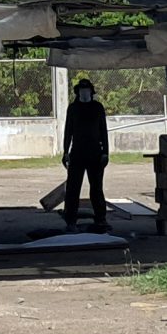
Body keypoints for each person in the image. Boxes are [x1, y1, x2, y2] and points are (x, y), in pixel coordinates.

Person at [62, 77, 109, 232]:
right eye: (81, 90)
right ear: (77, 92)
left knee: (96, 188)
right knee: (73, 188)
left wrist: (105, 152)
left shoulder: (98, 108)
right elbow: (68, 131)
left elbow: (103, 131)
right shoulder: (73, 109)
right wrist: (65, 152)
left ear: (91, 92)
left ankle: (101, 218)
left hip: (95, 153)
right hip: (77, 153)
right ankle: (70, 220)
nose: (84, 93)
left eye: (87, 90)